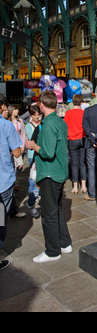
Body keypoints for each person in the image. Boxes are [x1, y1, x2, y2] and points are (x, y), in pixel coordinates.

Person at [26, 90, 72, 263]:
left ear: (42, 105)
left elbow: (47, 152)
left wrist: (33, 145)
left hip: (50, 173)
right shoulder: (60, 122)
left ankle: (52, 251)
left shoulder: (47, 125)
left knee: (48, 214)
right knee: (58, 209)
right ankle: (65, 243)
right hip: (59, 172)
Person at [0, 98, 23, 270]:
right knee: (1, 221)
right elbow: (16, 152)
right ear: (2, 107)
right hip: (3, 181)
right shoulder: (6, 126)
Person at [82, 92, 97, 201]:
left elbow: (85, 126)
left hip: (90, 143)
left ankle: (92, 194)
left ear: (96, 98)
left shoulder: (87, 110)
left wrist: (93, 138)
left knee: (91, 168)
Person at [64, 94, 87, 194]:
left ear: (72, 102)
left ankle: (75, 187)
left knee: (74, 164)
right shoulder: (84, 113)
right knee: (82, 163)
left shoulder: (68, 113)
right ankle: (84, 186)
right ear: (81, 102)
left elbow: (65, 127)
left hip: (72, 139)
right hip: (82, 139)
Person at [25, 104, 42, 218]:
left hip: (40, 154)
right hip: (33, 155)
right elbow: (32, 141)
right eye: (35, 115)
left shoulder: (42, 124)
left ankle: (34, 194)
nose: (37, 117)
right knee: (33, 179)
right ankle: (31, 202)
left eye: (38, 115)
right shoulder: (28, 126)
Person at [8, 105, 26, 175]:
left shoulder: (20, 121)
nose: (17, 111)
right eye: (15, 109)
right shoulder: (7, 121)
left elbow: (23, 134)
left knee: (18, 166)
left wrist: (22, 145)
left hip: (18, 146)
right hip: (9, 147)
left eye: (17, 109)